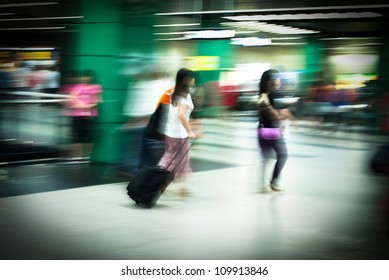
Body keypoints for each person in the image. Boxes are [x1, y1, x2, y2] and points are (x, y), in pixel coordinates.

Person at [157, 68, 197, 196]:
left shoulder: (174, 92)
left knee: (172, 158)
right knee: (176, 160)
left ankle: (166, 184)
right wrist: (190, 131)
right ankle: (158, 180)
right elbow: (181, 115)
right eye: (191, 77)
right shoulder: (184, 95)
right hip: (179, 134)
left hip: (170, 132)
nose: (193, 80)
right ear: (185, 80)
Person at [257, 69, 288, 192]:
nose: (279, 81)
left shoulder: (263, 95)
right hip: (271, 131)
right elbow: (274, 115)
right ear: (271, 81)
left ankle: (263, 184)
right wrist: (280, 117)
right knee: (282, 155)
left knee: (266, 157)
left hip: (262, 130)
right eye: (277, 79)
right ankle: (273, 183)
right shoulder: (268, 96)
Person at [61, 70, 102, 161]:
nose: (85, 78)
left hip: (89, 115)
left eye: (87, 76)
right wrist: (81, 105)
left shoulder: (96, 87)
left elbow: (98, 100)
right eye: (84, 77)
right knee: (77, 136)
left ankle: (87, 157)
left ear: (91, 78)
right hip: (77, 114)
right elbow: (72, 97)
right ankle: (77, 157)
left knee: (88, 136)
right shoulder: (78, 87)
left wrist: (89, 106)